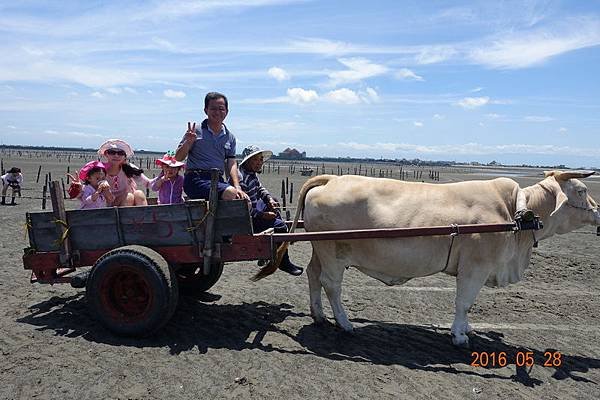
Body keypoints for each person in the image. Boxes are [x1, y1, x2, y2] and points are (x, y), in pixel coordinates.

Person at [238, 145, 303, 276]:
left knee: (274, 204)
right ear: (247, 161)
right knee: (281, 226)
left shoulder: (251, 174)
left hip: (252, 212)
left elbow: (260, 189)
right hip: (246, 219)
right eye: (255, 160)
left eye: (261, 159)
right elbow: (242, 208)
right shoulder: (242, 179)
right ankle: (283, 262)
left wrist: (269, 200)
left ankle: (268, 253)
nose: (259, 163)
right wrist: (263, 215)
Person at [175, 92, 248, 201]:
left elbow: (231, 164)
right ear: (206, 110)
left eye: (221, 109)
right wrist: (188, 143)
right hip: (195, 179)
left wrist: (237, 186)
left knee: (244, 200)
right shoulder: (195, 131)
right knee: (231, 193)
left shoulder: (230, 137)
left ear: (226, 112)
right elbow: (178, 158)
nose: (217, 112)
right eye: (213, 108)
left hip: (217, 180)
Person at [68, 139, 150, 206]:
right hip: (108, 205)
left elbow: (149, 183)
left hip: (129, 202)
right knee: (129, 196)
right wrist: (77, 188)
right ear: (106, 154)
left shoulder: (129, 168)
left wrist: (162, 177)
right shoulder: (100, 171)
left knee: (139, 193)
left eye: (120, 153)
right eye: (112, 152)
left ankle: (144, 221)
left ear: (125, 156)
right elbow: (87, 192)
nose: (116, 156)